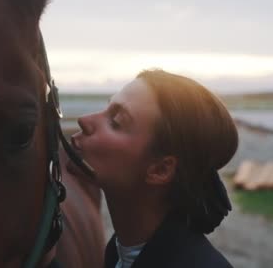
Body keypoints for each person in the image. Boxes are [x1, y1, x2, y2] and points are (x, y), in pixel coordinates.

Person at [71, 69, 238, 268]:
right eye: (107, 109)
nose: (85, 120)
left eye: (115, 122)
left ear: (160, 170)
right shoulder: (116, 252)